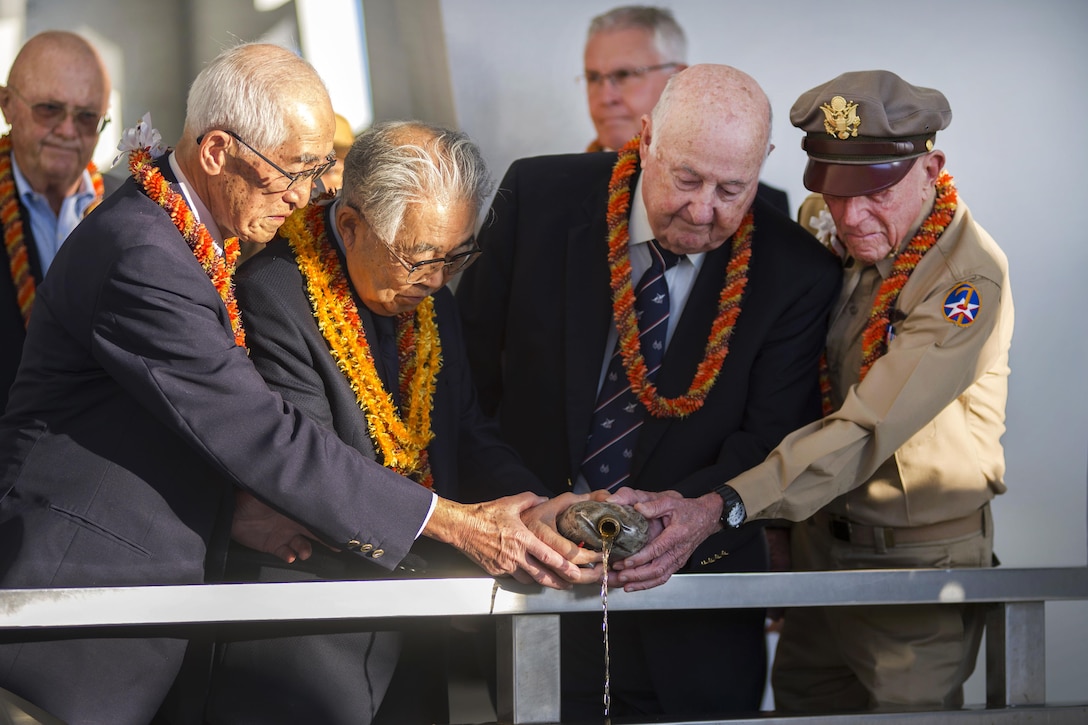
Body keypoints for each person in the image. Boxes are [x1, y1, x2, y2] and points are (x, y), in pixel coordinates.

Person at [0, 43, 585, 725]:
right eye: (292, 172)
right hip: (77, 617)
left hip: (140, 614)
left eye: (318, 171)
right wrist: (455, 523)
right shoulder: (142, 253)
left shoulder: (185, 236)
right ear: (217, 150)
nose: (306, 196)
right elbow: (263, 433)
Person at [456, 64, 841, 719]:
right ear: (645, 138)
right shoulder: (542, 198)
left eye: (731, 188)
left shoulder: (796, 269)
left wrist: (696, 516)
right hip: (537, 584)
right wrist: (529, 508)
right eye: (686, 179)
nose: (703, 209)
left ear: (763, 165)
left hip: (696, 613)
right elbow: (464, 387)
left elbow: (771, 438)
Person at [206, 120, 595, 725]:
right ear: (354, 224)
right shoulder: (272, 296)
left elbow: (465, 430)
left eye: (456, 256)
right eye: (419, 258)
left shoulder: (428, 293)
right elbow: (315, 477)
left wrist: (534, 510)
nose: (438, 280)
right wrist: (465, 526)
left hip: (414, 630)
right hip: (304, 640)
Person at [690, 70, 1013, 713]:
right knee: (804, 709)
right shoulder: (829, 226)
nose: (852, 215)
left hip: (913, 572)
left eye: (876, 192)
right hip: (818, 553)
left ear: (932, 168)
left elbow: (867, 425)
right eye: (836, 193)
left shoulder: (965, 283)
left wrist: (729, 503)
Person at [0, 30, 117, 412]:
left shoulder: (136, 207)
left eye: (86, 117)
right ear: (6, 105)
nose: (68, 131)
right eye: (48, 109)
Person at [581, 5, 790, 215]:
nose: (605, 97)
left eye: (624, 75)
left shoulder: (765, 207)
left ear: (677, 78)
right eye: (593, 78)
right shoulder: (559, 187)